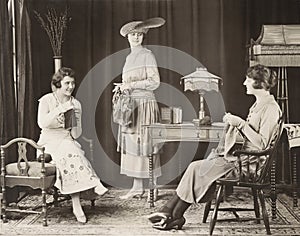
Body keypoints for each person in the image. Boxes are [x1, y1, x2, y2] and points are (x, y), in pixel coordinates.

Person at [147, 64, 282, 230]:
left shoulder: (270, 108)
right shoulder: (258, 105)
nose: (244, 83)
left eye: (248, 79)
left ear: (259, 83)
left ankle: (172, 214)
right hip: (239, 158)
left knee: (196, 167)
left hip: (248, 164)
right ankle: (171, 214)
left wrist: (239, 123)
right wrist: (235, 125)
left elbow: (262, 144)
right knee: (194, 167)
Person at [37, 67, 108, 223]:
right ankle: (94, 183)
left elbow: (76, 134)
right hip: (47, 145)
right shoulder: (46, 100)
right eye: (67, 83)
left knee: (71, 151)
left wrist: (76, 116)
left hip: (67, 141)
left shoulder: (75, 103)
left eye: (73, 83)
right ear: (58, 84)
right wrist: (61, 109)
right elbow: (42, 123)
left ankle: (77, 205)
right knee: (72, 152)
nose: (70, 87)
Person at [115, 17, 165, 200]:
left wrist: (130, 85)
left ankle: (154, 186)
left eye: (139, 34)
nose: (135, 37)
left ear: (143, 36)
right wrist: (122, 87)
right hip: (131, 106)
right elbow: (131, 83)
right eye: (132, 34)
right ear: (127, 37)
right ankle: (137, 187)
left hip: (144, 105)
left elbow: (155, 82)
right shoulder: (129, 57)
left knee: (146, 144)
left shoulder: (147, 55)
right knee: (132, 145)